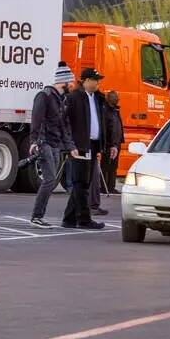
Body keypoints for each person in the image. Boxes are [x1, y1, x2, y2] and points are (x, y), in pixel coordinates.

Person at [29, 63, 74, 227]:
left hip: (55, 144)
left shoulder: (60, 99)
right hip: (45, 143)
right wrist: (34, 141)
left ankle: (38, 215)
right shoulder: (45, 96)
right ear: (64, 82)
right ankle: (36, 216)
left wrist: (70, 147)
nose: (73, 85)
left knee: (51, 180)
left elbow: (63, 125)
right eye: (72, 82)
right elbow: (36, 120)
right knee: (49, 180)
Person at [62, 68, 107, 230]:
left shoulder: (98, 98)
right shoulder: (74, 98)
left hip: (93, 145)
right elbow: (65, 122)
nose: (98, 83)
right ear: (86, 81)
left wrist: (104, 145)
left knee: (83, 183)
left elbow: (102, 121)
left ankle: (69, 218)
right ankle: (84, 219)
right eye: (95, 80)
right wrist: (70, 145)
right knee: (80, 182)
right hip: (80, 145)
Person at [88, 90, 122, 213]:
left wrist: (118, 141)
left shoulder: (115, 111)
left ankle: (110, 187)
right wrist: (107, 143)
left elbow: (117, 126)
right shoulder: (106, 111)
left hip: (114, 143)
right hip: (107, 144)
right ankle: (104, 187)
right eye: (114, 98)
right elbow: (107, 128)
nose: (116, 99)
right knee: (105, 167)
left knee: (113, 166)